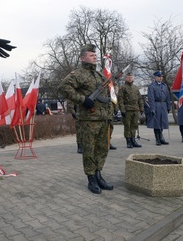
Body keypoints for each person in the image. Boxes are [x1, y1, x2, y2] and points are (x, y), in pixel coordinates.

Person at [58, 44, 113, 194]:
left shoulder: (100, 75)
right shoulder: (78, 74)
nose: (94, 57)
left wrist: (109, 115)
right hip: (88, 120)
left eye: (95, 55)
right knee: (89, 150)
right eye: (91, 55)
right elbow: (63, 87)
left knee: (102, 149)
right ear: (83, 58)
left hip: (102, 119)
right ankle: (91, 179)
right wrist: (82, 99)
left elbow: (107, 97)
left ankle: (99, 175)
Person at [117, 73, 144, 148]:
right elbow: (120, 99)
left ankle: (133, 140)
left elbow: (140, 99)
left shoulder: (135, 88)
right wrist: (122, 110)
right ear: (125, 78)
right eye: (128, 77)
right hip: (127, 109)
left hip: (135, 109)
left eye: (131, 77)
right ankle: (128, 141)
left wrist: (141, 108)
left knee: (134, 125)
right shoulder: (123, 88)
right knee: (127, 126)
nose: (130, 79)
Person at [147, 71, 171, 146]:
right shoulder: (152, 86)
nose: (160, 78)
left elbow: (167, 96)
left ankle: (161, 138)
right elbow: (151, 98)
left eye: (161, 77)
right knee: (157, 123)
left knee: (162, 122)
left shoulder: (164, 86)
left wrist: (168, 106)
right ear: (155, 77)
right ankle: (157, 139)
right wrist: (152, 108)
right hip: (156, 104)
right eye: (159, 77)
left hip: (163, 105)